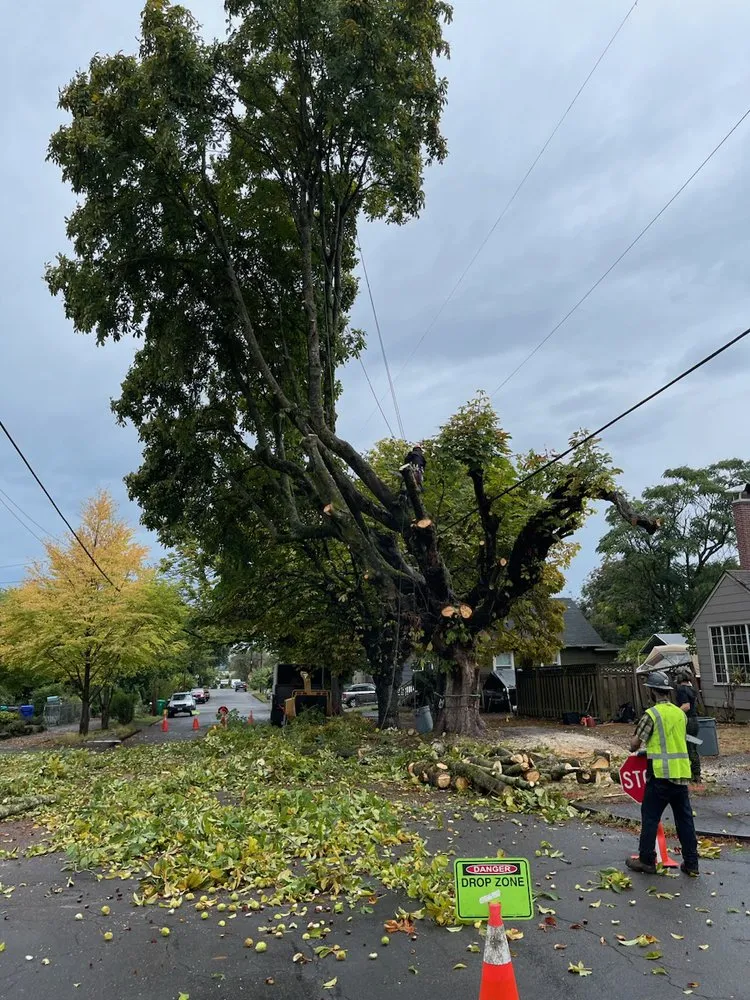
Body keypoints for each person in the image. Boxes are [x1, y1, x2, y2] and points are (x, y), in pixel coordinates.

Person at [625, 670, 699, 877]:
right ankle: (692, 863)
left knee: (650, 817)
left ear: (651, 692)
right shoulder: (680, 714)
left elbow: (634, 744)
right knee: (684, 820)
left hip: (660, 776)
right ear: (668, 691)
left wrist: (635, 744)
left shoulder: (652, 714)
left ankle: (646, 861)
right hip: (681, 774)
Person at [674, 666, 702, 785]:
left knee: (688, 747)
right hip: (694, 721)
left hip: (687, 722)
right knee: (693, 746)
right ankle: (696, 773)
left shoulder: (681, 689)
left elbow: (686, 706)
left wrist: (674, 713)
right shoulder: (692, 689)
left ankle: (694, 775)